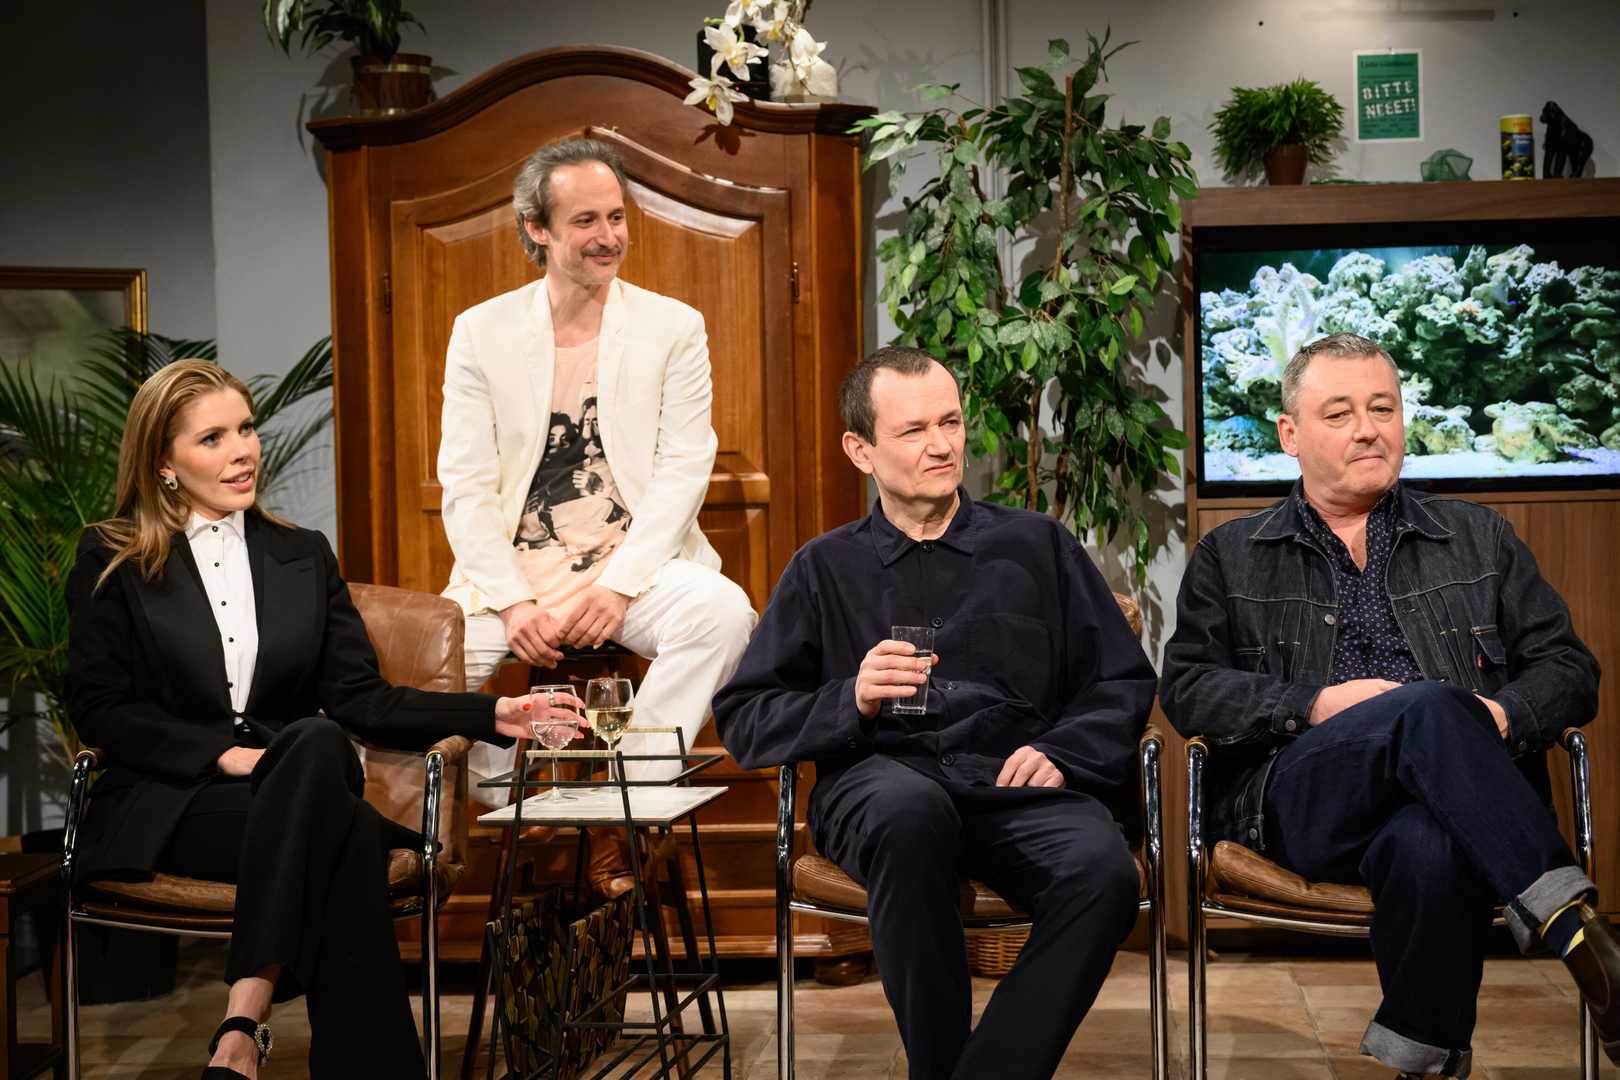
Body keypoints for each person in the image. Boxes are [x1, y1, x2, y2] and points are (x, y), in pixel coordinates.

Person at [65, 361, 580, 1080]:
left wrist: (494, 711)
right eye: (213, 438)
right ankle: (269, 1034)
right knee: (346, 837)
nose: (242, 451)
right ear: (164, 464)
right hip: (175, 804)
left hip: (286, 789)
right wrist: (222, 755)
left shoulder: (301, 554)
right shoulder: (113, 557)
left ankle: (240, 1030)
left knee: (313, 742)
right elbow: (100, 706)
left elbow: (362, 699)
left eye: (246, 428)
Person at [1160, 332, 1620, 1077]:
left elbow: (1571, 670)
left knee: (1427, 845)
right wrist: (1313, 703)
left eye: (1383, 408)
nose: (1368, 429)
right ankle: (1576, 927)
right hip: (1304, 799)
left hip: (1456, 801)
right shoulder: (1233, 553)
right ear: (1290, 435)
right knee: (1427, 707)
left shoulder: (1478, 537)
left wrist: (1497, 717)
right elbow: (1187, 688)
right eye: (1339, 413)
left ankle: (1426, 1063)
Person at [712, 347, 1156, 1079]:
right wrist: (851, 696)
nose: (943, 445)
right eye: (914, 430)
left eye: (950, 422)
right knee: (908, 811)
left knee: (1103, 872)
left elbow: (1121, 680)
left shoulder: (1038, 546)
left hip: (1012, 785)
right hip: (881, 782)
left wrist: (1066, 751)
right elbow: (747, 716)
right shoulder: (824, 569)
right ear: (861, 450)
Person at [436, 136, 755, 890]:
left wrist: (617, 587)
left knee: (724, 613)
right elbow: (466, 483)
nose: (608, 236)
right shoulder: (481, 331)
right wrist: (512, 602)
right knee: (420, 680)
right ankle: (513, 801)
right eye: (585, 220)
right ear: (537, 228)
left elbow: (683, 468)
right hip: (514, 576)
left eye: (615, 216)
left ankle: (625, 807)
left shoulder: (673, 326)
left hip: (632, 568)